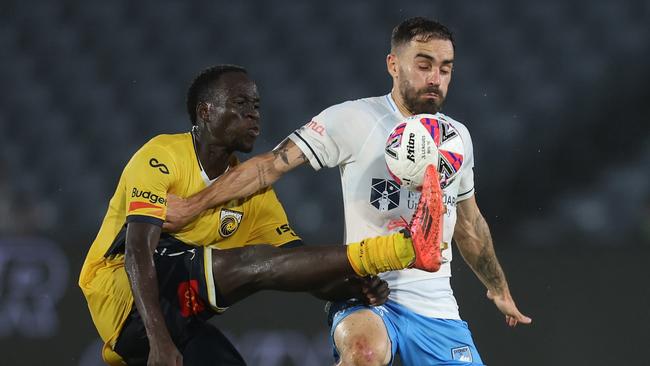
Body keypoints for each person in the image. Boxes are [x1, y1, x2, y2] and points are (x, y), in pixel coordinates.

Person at [165, 18, 532, 365]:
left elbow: (467, 224)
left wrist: (497, 288)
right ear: (393, 64)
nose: (435, 78)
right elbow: (269, 166)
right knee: (364, 351)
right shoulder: (354, 119)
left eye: (445, 68)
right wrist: (191, 206)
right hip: (368, 298)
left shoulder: (456, 139)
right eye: (424, 65)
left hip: (437, 311)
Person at [78, 64, 444, 366]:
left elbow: (297, 267)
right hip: (121, 295)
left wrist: (354, 284)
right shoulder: (161, 156)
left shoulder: (255, 194)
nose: (254, 114)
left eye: (256, 105)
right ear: (205, 111)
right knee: (253, 263)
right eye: (240, 103)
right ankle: (403, 247)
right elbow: (137, 249)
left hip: (177, 316)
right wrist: (158, 338)